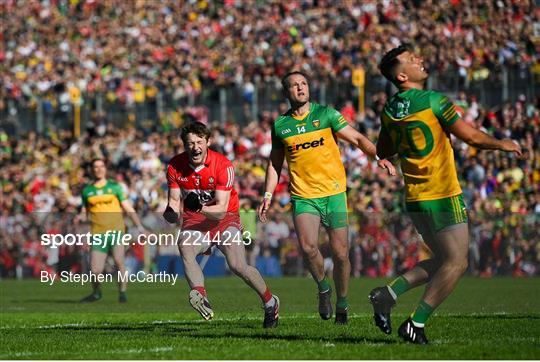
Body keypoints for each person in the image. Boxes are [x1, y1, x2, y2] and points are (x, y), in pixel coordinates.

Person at [370, 44, 522, 344]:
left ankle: (388, 294)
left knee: (442, 260)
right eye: (412, 60)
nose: (420, 60)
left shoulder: (388, 110)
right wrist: (501, 143)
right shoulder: (433, 100)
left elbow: (383, 150)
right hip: (442, 194)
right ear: (402, 76)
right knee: (457, 262)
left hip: (414, 198)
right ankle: (416, 323)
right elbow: (470, 136)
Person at [258, 71, 395, 325]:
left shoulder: (327, 115)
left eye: (304, 84)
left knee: (341, 254)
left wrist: (379, 156)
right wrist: (267, 194)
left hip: (334, 194)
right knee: (309, 247)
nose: (300, 88)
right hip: (303, 196)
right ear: (286, 92)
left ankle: (342, 304)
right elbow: (274, 165)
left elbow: (356, 138)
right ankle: (323, 290)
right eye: (294, 85)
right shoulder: (280, 126)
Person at [164, 122, 279, 328]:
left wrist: (197, 207)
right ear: (184, 145)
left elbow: (221, 210)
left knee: (237, 265)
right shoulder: (174, 166)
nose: (195, 147)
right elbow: (173, 202)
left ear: (208, 142)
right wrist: (171, 214)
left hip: (225, 220)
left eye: (199, 142)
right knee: (185, 245)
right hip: (196, 223)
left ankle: (270, 302)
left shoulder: (223, 165)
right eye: (190, 143)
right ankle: (200, 295)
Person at [80, 158, 147, 303]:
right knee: (95, 269)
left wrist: (140, 227)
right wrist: (79, 219)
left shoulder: (115, 187)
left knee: (119, 262)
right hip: (98, 233)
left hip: (116, 231)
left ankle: (122, 293)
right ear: (92, 170)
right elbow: (84, 213)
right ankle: (96, 293)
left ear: (105, 168)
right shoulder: (87, 191)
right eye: (95, 167)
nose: (98, 169)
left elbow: (128, 208)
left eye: (101, 166)